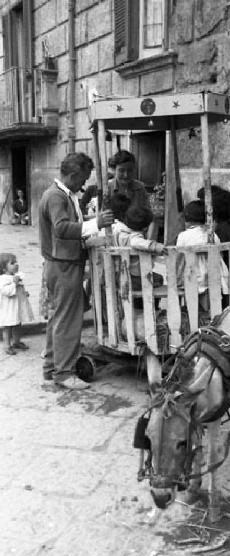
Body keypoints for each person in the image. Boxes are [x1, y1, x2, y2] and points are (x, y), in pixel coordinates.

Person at [38, 152, 114, 390]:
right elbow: (61, 228)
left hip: (61, 263)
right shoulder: (56, 197)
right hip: (63, 265)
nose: (84, 183)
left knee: (58, 317)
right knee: (68, 320)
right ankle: (64, 372)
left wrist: (90, 222)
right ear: (73, 175)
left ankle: (52, 367)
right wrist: (95, 224)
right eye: (83, 178)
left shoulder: (62, 195)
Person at [176, 200, 229, 310]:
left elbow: (179, 259)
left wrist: (177, 278)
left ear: (186, 219)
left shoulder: (183, 236)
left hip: (192, 279)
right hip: (215, 278)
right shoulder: (212, 235)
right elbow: (220, 255)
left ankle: (194, 317)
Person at [0, 253, 33, 355]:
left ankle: (16, 342)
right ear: (4, 268)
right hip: (8, 308)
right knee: (7, 327)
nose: (16, 264)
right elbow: (6, 292)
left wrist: (24, 293)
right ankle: (7, 345)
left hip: (17, 307)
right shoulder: (3, 279)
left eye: (16, 262)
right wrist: (14, 283)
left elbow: (19, 288)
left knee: (17, 324)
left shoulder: (16, 276)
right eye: (12, 263)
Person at [105, 150, 150, 223]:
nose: (126, 175)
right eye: (121, 170)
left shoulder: (140, 188)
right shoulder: (107, 188)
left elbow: (148, 214)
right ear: (114, 170)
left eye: (130, 170)